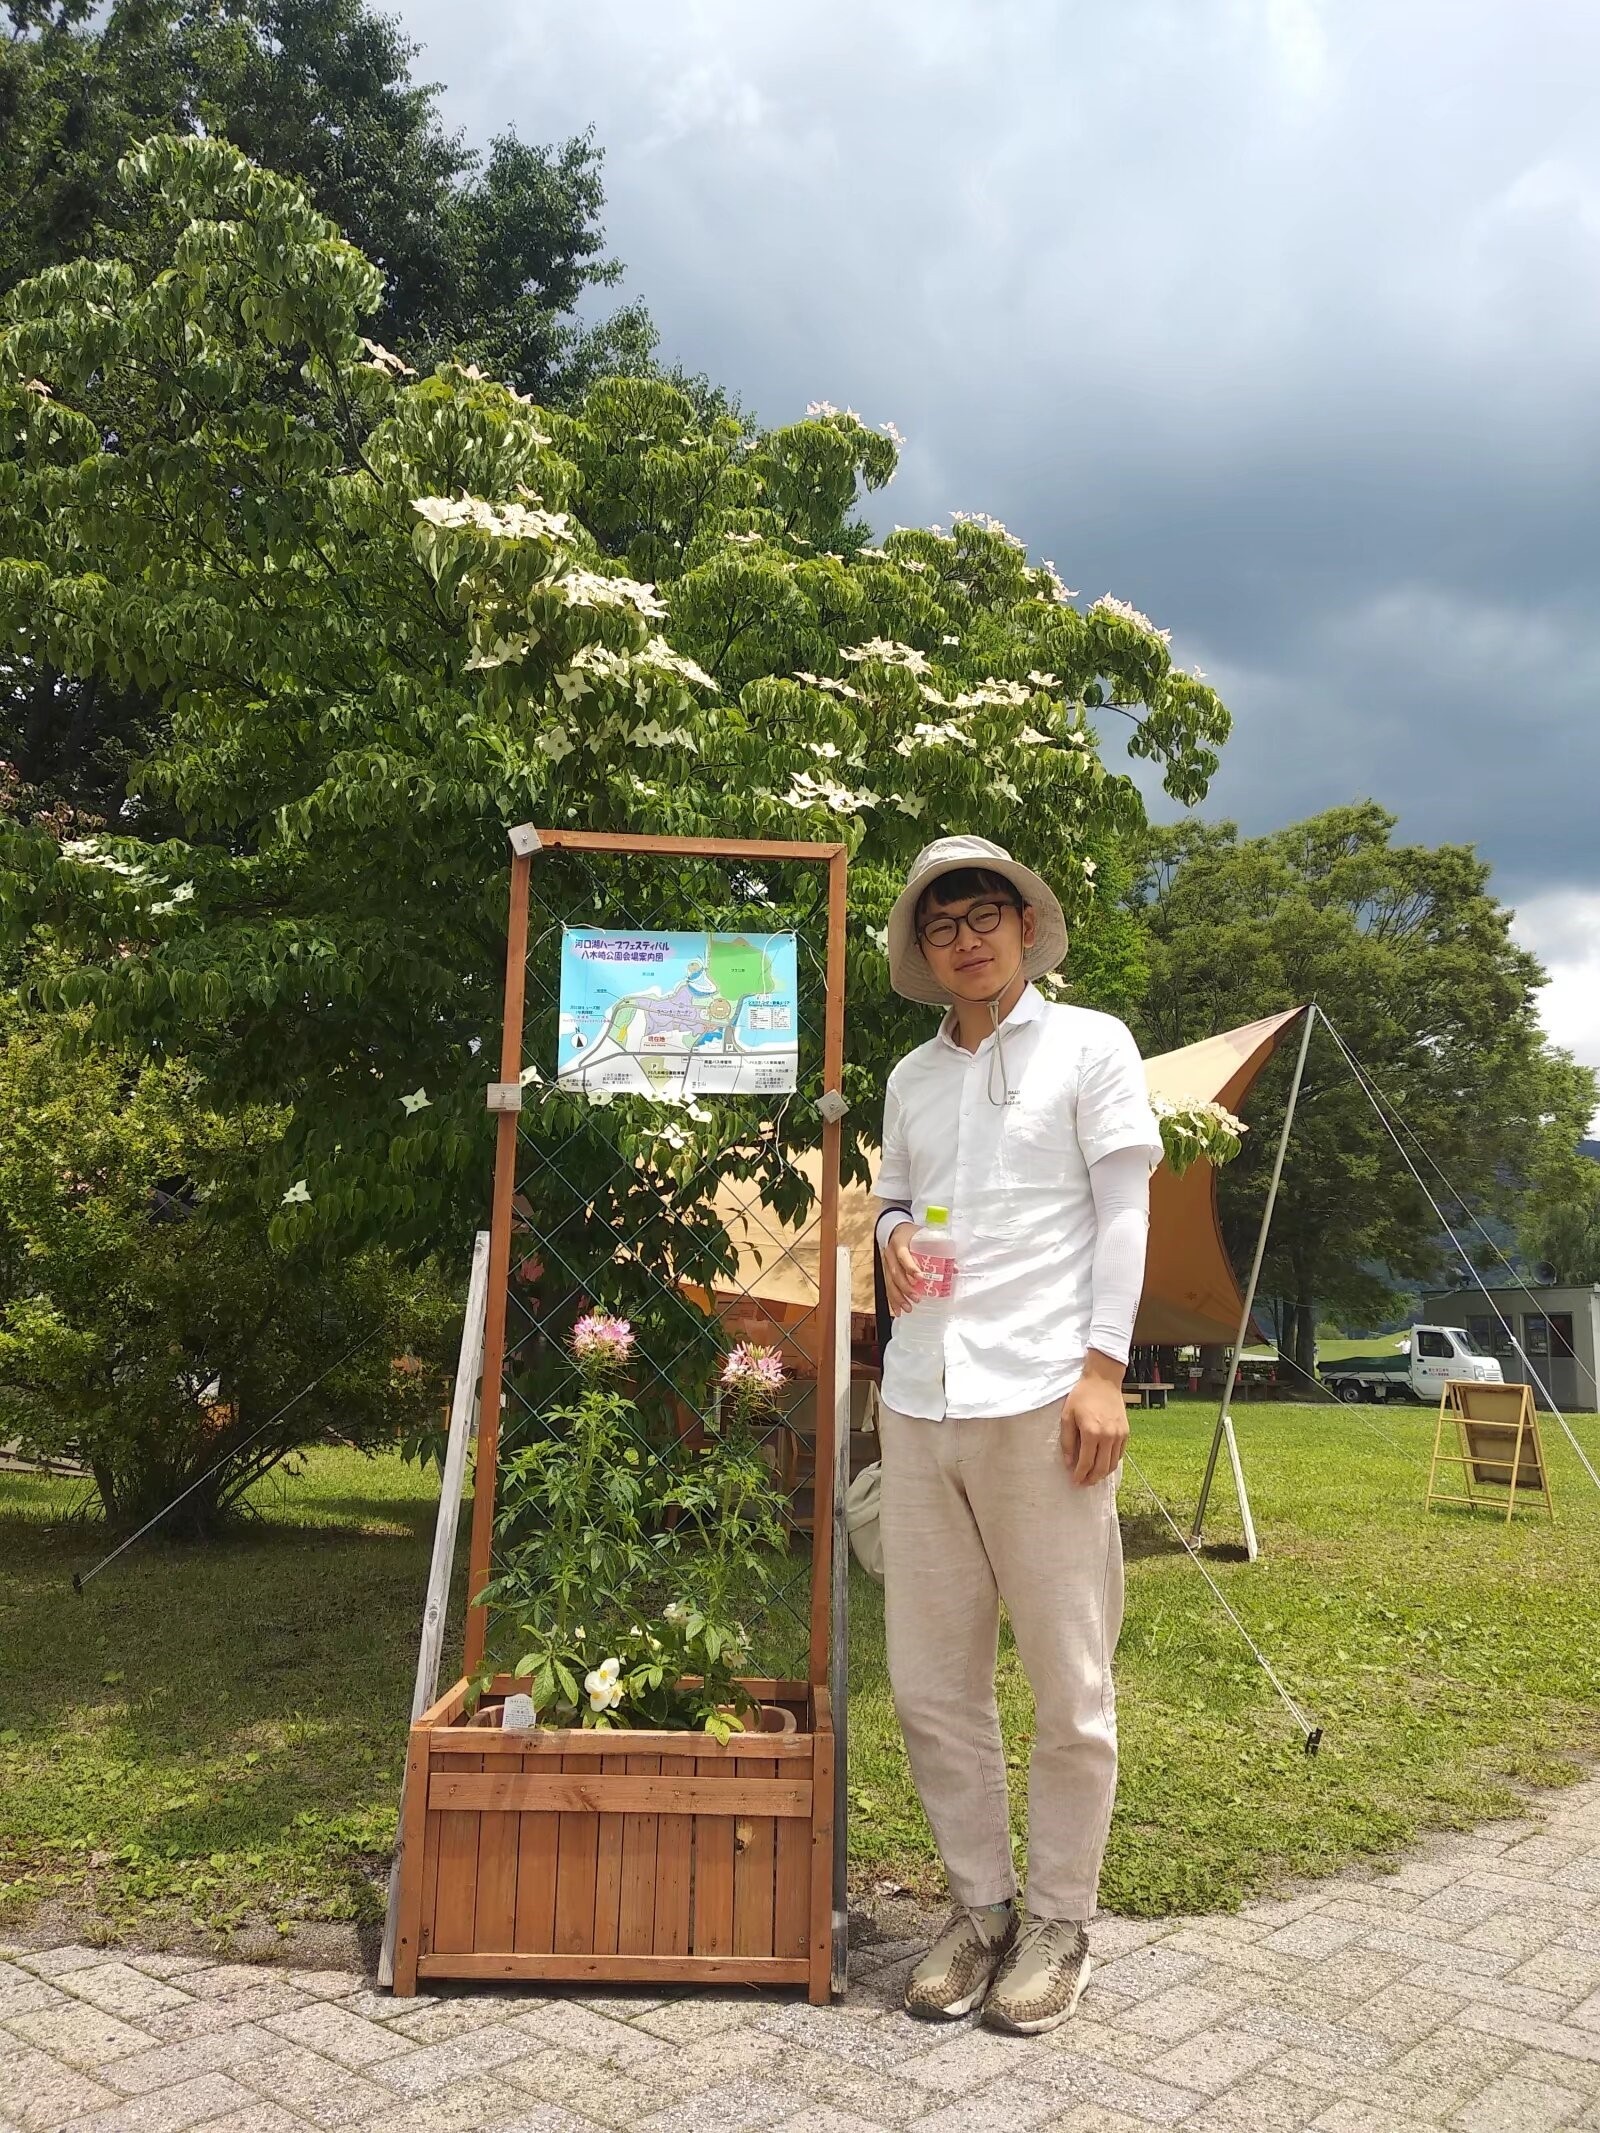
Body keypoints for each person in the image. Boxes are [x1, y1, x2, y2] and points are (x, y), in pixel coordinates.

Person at [872, 834, 1161, 2034]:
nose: (967, 938)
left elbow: (1125, 1208)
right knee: (930, 1686)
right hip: (917, 1400)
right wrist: (890, 1232)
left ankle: (1059, 1920)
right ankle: (980, 1908)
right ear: (923, 950)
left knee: (1067, 1681)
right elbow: (896, 1197)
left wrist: (1103, 1371)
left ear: (1025, 927)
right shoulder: (910, 1076)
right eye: (941, 924)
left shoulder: (1091, 1043)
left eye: (985, 913)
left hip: (1046, 1397)